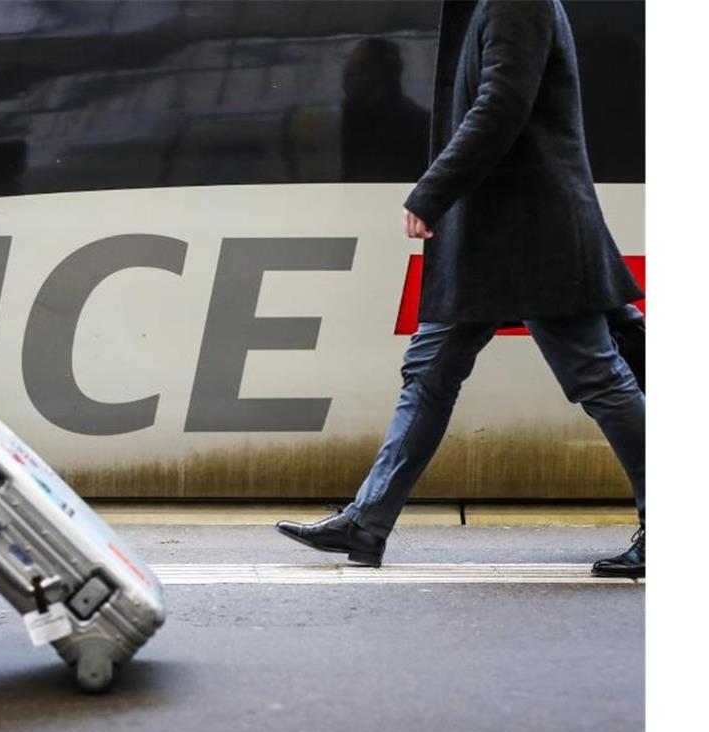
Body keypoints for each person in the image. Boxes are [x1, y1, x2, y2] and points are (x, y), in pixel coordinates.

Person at [275, 0, 645, 577]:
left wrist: (432, 190)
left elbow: (501, 105)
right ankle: (367, 521)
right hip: (488, 234)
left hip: (533, 228)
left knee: (597, 376)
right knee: (429, 372)